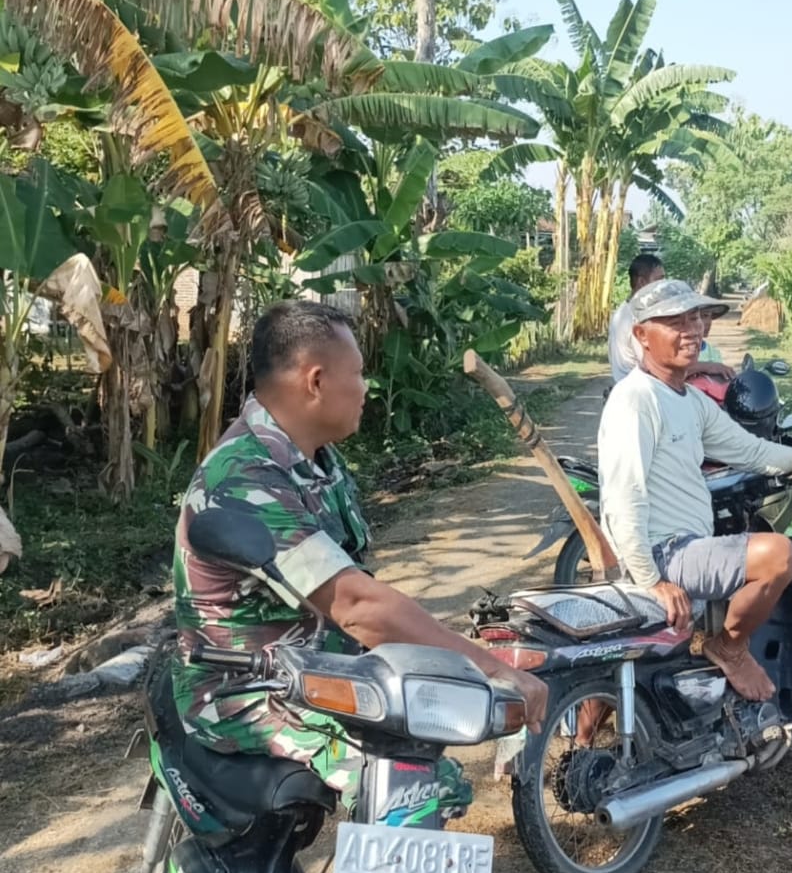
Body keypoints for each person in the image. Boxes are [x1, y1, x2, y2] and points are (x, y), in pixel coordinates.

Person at [171, 300, 548, 816]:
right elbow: (356, 606)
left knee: (432, 735)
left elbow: (357, 588)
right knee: (416, 787)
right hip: (247, 691)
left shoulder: (316, 461)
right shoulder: (243, 478)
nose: (366, 387)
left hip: (320, 671)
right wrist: (490, 668)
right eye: (358, 373)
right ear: (316, 381)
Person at [598, 279, 792, 700]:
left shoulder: (689, 400)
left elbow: (751, 450)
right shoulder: (636, 399)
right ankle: (730, 647)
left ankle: (583, 732)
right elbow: (624, 497)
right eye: (675, 321)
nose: (692, 330)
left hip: (684, 549)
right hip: (664, 552)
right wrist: (651, 580)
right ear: (641, 335)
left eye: (696, 318)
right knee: (777, 554)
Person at [608, 254, 733, 384]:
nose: (691, 331)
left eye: (694, 319)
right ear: (642, 282)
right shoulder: (637, 317)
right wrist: (708, 366)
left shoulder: (623, 312)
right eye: (659, 280)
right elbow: (657, 366)